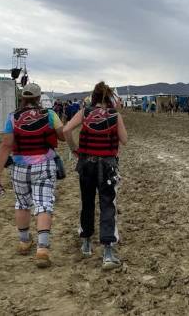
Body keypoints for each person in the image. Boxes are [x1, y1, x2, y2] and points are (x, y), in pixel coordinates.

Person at [0, 83, 65, 268]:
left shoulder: (12, 117)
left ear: (22, 98)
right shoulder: (49, 115)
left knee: (22, 203)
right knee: (43, 203)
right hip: (44, 165)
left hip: (19, 167)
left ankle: (24, 242)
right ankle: (42, 249)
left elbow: (6, 145)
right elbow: (62, 136)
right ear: (39, 98)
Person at [64, 81, 128, 270]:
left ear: (93, 97)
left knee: (87, 202)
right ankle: (108, 253)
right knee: (108, 205)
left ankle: (86, 244)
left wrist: (74, 148)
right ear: (109, 98)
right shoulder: (114, 115)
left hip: (86, 163)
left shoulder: (85, 112)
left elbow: (67, 129)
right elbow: (124, 140)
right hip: (107, 165)